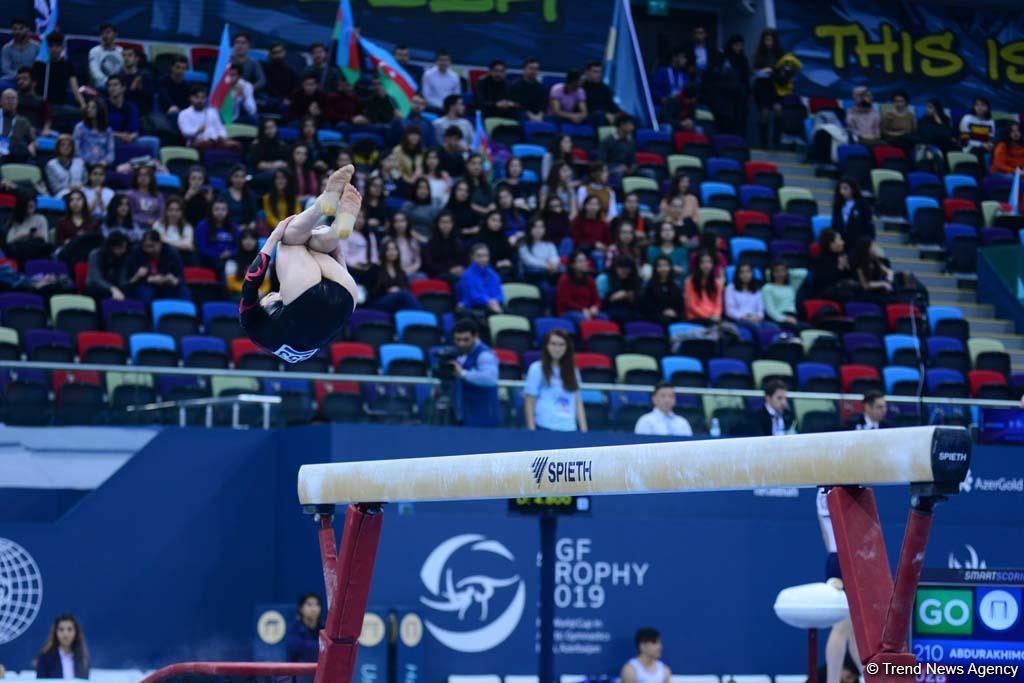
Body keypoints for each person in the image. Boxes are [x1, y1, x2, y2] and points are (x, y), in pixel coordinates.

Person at [239, 166, 361, 363]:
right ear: (266, 304)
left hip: (347, 299)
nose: (275, 294)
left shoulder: (297, 350)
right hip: (306, 299)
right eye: (271, 295)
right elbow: (251, 281)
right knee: (288, 241)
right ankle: (321, 205)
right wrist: (273, 239)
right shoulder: (250, 325)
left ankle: (335, 232)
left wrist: (339, 256)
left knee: (315, 247)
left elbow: (335, 317)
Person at [524, 329, 587, 432]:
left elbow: (577, 401)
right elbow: (529, 400)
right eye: (553, 344)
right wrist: (531, 430)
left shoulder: (574, 371)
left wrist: (584, 430)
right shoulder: (536, 368)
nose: (557, 348)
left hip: (569, 428)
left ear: (567, 347)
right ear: (546, 346)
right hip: (544, 427)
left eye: (561, 344)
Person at [450, 318, 500, 427]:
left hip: (484, 417)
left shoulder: (485, 355)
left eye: (465, 339)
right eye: (457, 340)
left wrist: (463, 373)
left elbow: (490, 379)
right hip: (464, 413)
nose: (461, 343)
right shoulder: (458, 353)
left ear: (475, 336)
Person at [124, 229, 189, 303]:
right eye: (145, 246)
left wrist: (174, 280)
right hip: (145, 283)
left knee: (183, 291)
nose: (148, 249)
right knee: (145, 294)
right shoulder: (136, 252)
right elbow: (132, 276)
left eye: (151, 246)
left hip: (167, 283)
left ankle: (186, 313)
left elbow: (180, 276)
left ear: (160, 244)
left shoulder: (172, 253)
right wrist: (148, 279)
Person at [33, 32, 86, 109]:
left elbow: (75, 88)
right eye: (51, 46)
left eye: (57, 46)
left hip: (61, 105)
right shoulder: (40, 64)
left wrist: (83, 104)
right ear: (47, 47)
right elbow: (33, 87)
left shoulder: (67, 65)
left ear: (62, 47)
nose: (54, 49)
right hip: (42, 104)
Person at [177, 85, 239, 151]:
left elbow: (221, 129)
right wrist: (197, 131)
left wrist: (221, 136)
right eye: (197, 97)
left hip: (216, 141)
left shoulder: (212, 112)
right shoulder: (184, 114)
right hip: (197, 142)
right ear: (191, 98)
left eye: (203, 98)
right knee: (205, 144)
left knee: (236, 145)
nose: (200, 100)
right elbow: (185, 132)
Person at [368, 239, 420, 313]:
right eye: (389, 249)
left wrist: (397, 291)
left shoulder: (401, 272)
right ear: (384, 251)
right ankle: (423, 315)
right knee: (404, 294)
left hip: (396, 302)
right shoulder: (375, 269)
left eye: (395, 249)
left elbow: (408, 288)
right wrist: (389, 291)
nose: (392, 252)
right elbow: (372, 291)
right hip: (379, 301)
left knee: (402, 305)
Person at [713, 35, 750, 138]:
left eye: (741, 45)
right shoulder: (723, 58)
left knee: (739, 122)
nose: (739, 48)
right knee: (726, 122)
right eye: (736, 45)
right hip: (724, 97)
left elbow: (745, 78)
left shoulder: (742, 59)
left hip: (739, 98)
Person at [34, 614, 89, 679]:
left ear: (76, 632)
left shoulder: (82, 658)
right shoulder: (45, 658)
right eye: (61, 629)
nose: (65, 634)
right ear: (55, 633)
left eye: (69, 629)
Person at [556, 250, 602, 324]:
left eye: (585, 260)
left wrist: (595, 307)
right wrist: (582, 310)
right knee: (582, 318)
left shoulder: (590, 280)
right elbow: (566, 301)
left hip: (587, 311)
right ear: (572, 265)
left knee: (604, 317)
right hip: (568, 311)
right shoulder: (564, 280)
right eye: (580, 261)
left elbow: (597, 299)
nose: (584, 263)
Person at [813, 229, 859, 302]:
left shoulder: (842, 256)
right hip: (827, 294)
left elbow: (851, 278)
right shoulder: (821, 260)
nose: (843, 243)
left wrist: (848, 267)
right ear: (831, 244)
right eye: (840, 240)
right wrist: (839, 268)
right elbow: (824, 283)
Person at [5, 191, 51, 262]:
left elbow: (45, 240)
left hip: (36, 248)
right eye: (27, 207)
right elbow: (9, 241)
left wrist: (38, 235)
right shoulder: (16, 220)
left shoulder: (41, 218)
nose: (29, 209)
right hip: (20, 250)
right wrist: (23, 235)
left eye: (32, 206)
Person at [458, 242, 504, 314]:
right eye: (479, 256)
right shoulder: (467, 275)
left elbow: (500, 296)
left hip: (493, 306)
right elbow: (473, 297)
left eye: (486, 256)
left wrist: (495, 301)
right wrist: (489, 302)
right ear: (472, 257)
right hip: (474, 308)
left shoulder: (493, 274)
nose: (483, 259)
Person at [423, 211, 465, 283]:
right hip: (438, 273)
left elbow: (463, 260)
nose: (446, 225)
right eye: (443, 222)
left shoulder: (458, 242)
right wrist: (449, 270)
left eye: (449, 222)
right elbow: (429, 265)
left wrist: (460, 268)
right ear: (437, 224)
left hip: (456, 272)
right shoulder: (431, 243)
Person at [830, 178, 873, 249]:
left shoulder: (862, 205)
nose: (842, 191)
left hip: (858, 243)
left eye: (845, 188)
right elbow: (834, 225)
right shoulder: (837, 206)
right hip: (842, 243)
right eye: (841, 189)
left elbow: (868, 225)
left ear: (853, 189)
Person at [86, 230, 130, 299]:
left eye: (125, 247)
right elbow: (97, 279)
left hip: (114, 285)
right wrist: (113, 289)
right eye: (120, 248)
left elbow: (122, 279)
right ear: (111, 247)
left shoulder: (124, 257)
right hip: (96, 287)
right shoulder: (95, 254)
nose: (123, 250)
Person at [642, 254, 684, 325]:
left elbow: (680, 305)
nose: (663, 269)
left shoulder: (676, 286)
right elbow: (647, 307)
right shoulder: (649, 286)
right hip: (654, 318)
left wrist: (675, 313)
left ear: (670, 267)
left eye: (666, 266)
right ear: (655, 268)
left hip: (673, 317)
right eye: (660, 266)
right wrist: (663, 312)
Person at [518, 217, 560, 286]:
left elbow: (554, 257)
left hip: (550, 273)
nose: (539, 230)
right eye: (535, 227)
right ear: (530, 229)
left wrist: (553, 264)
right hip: (533, 275)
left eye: (541, 227)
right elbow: (529, 261)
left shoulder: (549, 244)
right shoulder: (523, 245)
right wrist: (546, 265)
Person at [684, 250, 723, 322]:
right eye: (703, 262)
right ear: (698, 265)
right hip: (696, 317)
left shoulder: (717, 283)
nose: (706, 265)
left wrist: (716, 315)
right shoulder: (690, 281)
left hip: (713, 318)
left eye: (709, 262)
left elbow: (718, 304)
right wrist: (708, 317)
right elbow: (691, 305)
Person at [73, 98, 114, 165]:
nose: (89, 110)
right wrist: (85, 162)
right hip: (83, 163)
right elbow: (76, 150)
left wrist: (104, 162)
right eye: (88, 107)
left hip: (102, 165)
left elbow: (111, 153)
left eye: (93, 108)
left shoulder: (107, 130)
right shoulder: (79, 128)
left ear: (100, 110)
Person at [114, 46, 154, 115]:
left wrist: (140, 88)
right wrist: (132, 87)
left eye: (129, 55)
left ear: (136, 59)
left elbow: (150, 97)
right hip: (123, 112)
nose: (126, 58)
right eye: (124, 55)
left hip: (143, 113)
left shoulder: (144, 75)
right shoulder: (118, 77)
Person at [603, 256, 642, 325]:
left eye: (627, 268)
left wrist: (632, 298)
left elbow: (640, 301)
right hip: (613, 308)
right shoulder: (607, 279)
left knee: (639, 316)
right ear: (615, 268)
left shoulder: (635, 280)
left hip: (630, 309)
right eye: (621, 268)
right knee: (620, 315)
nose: (625, 271)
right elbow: (602, 303)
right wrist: (613, 298)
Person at [285, 593, 321, 664]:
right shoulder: (293, 628)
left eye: (317, 605)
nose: (314, 609)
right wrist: (323, 647)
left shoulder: (325, 628)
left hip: (322, 671)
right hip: (299, 672)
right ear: (301, 609)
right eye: (309, 605)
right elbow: (297, 648)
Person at [724, 261, 763, 326]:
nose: (745, 275)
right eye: (742, 272)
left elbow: (760, 310)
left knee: (773, 327)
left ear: (752, 273)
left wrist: (758, 317)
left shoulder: (757, 289)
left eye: (748, 272)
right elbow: (730, 311)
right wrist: (744, 317)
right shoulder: (730, 288)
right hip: (739, 320)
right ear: (737, 274)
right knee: (755, 327)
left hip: (756, 319)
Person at [762, 260, 798, 327]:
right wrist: (784, 319)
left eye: (783, 271)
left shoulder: (790, 287)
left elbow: (803, 273)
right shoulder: (768, 287)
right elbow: (770, 310)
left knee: (810, 329)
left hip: (793, 317)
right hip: (779, 319)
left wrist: (789, 272)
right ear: (772, 272)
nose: (780, 274)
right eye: (777, 271)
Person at [127, 165, 165, 229]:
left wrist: (156, 222)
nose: (143, 177)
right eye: (140, 175)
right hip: (136, 226)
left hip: (156, 226)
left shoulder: (158, 195)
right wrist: (145, 221)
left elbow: (162, 213)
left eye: (146, 175)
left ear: (151, 178)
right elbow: (129, 214)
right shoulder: (130, 195)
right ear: (136, 178)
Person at [510, 57, 547, 122]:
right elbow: (516, 105)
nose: (533, 71)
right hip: (520, 117)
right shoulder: (515, 86)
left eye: (536, 69)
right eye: (531, 68)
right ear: (524, 69)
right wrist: (530, 115)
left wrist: (540, 115)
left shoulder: (541, 88)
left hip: (538, 118)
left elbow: (543, 106)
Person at [221, 165, 258, 230]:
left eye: (242, 177)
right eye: (236, 176)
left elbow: (254, 216)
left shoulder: (251, 194)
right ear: (231, 178)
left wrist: (251, 225)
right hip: (228, 228)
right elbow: (221, 214)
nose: (239, 179)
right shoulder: (224, 194)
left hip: (246, 229)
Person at [581, 61, 618, 125]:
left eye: (600, 72)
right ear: (587, 72)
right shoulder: (581, 88)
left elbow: (611, 105)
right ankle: (603, 135)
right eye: (595, 72)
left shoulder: (604, 88)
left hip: (606, 115)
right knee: (599, 115)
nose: (599, 75)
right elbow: (588, 108)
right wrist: (605, 114)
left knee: (627, 118)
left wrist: (618, 114)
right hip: (589, 117)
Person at [960, 96, 995, 164]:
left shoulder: (991, 122)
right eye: (977, 105)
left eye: (982, 105)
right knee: (980, 153)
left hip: (985, 148)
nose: (979, 107)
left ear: (987, 108)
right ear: (974, 107)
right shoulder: (967, 119)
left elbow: (991, 140)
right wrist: (981, 144)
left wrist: (990, 145)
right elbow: (964, 140)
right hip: (970, 148)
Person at [15, 67, 51, 133]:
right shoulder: (14, 97)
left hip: (35, 132)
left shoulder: (41, 101)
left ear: (34, 83)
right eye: (19, 79)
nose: (20, 82)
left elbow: (47, 120)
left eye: (24, 79)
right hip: (15, 132)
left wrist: (45, 130)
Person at [387, 211, 422, 277]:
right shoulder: (387, 240)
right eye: (396, 221)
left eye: (402, 221)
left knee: (422, 276)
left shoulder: (413, 241)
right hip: (394, 273)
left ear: (407, 223)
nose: (400, 224)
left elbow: (418, 261)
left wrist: (410, 270)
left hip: (411, 271)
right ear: (392, 224)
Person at [264, 42, 298, 110]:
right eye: (274, 52)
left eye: (279, 52)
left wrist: (289, 98)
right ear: (270, 54)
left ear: (284, 53)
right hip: (270, 99)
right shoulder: (265, 69)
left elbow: (295, 87)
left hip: (286, 101)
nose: (277, 55)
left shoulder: (290, 71)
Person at [89, 23, 123, 89]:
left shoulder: (121, 51)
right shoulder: (94, 51)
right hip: (101, 87)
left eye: (108, 32)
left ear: (115, 35)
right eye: (102, 33)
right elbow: (95, 71)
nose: (105, 36)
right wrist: (109, 83)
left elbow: (123, 70)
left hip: (118, 87)